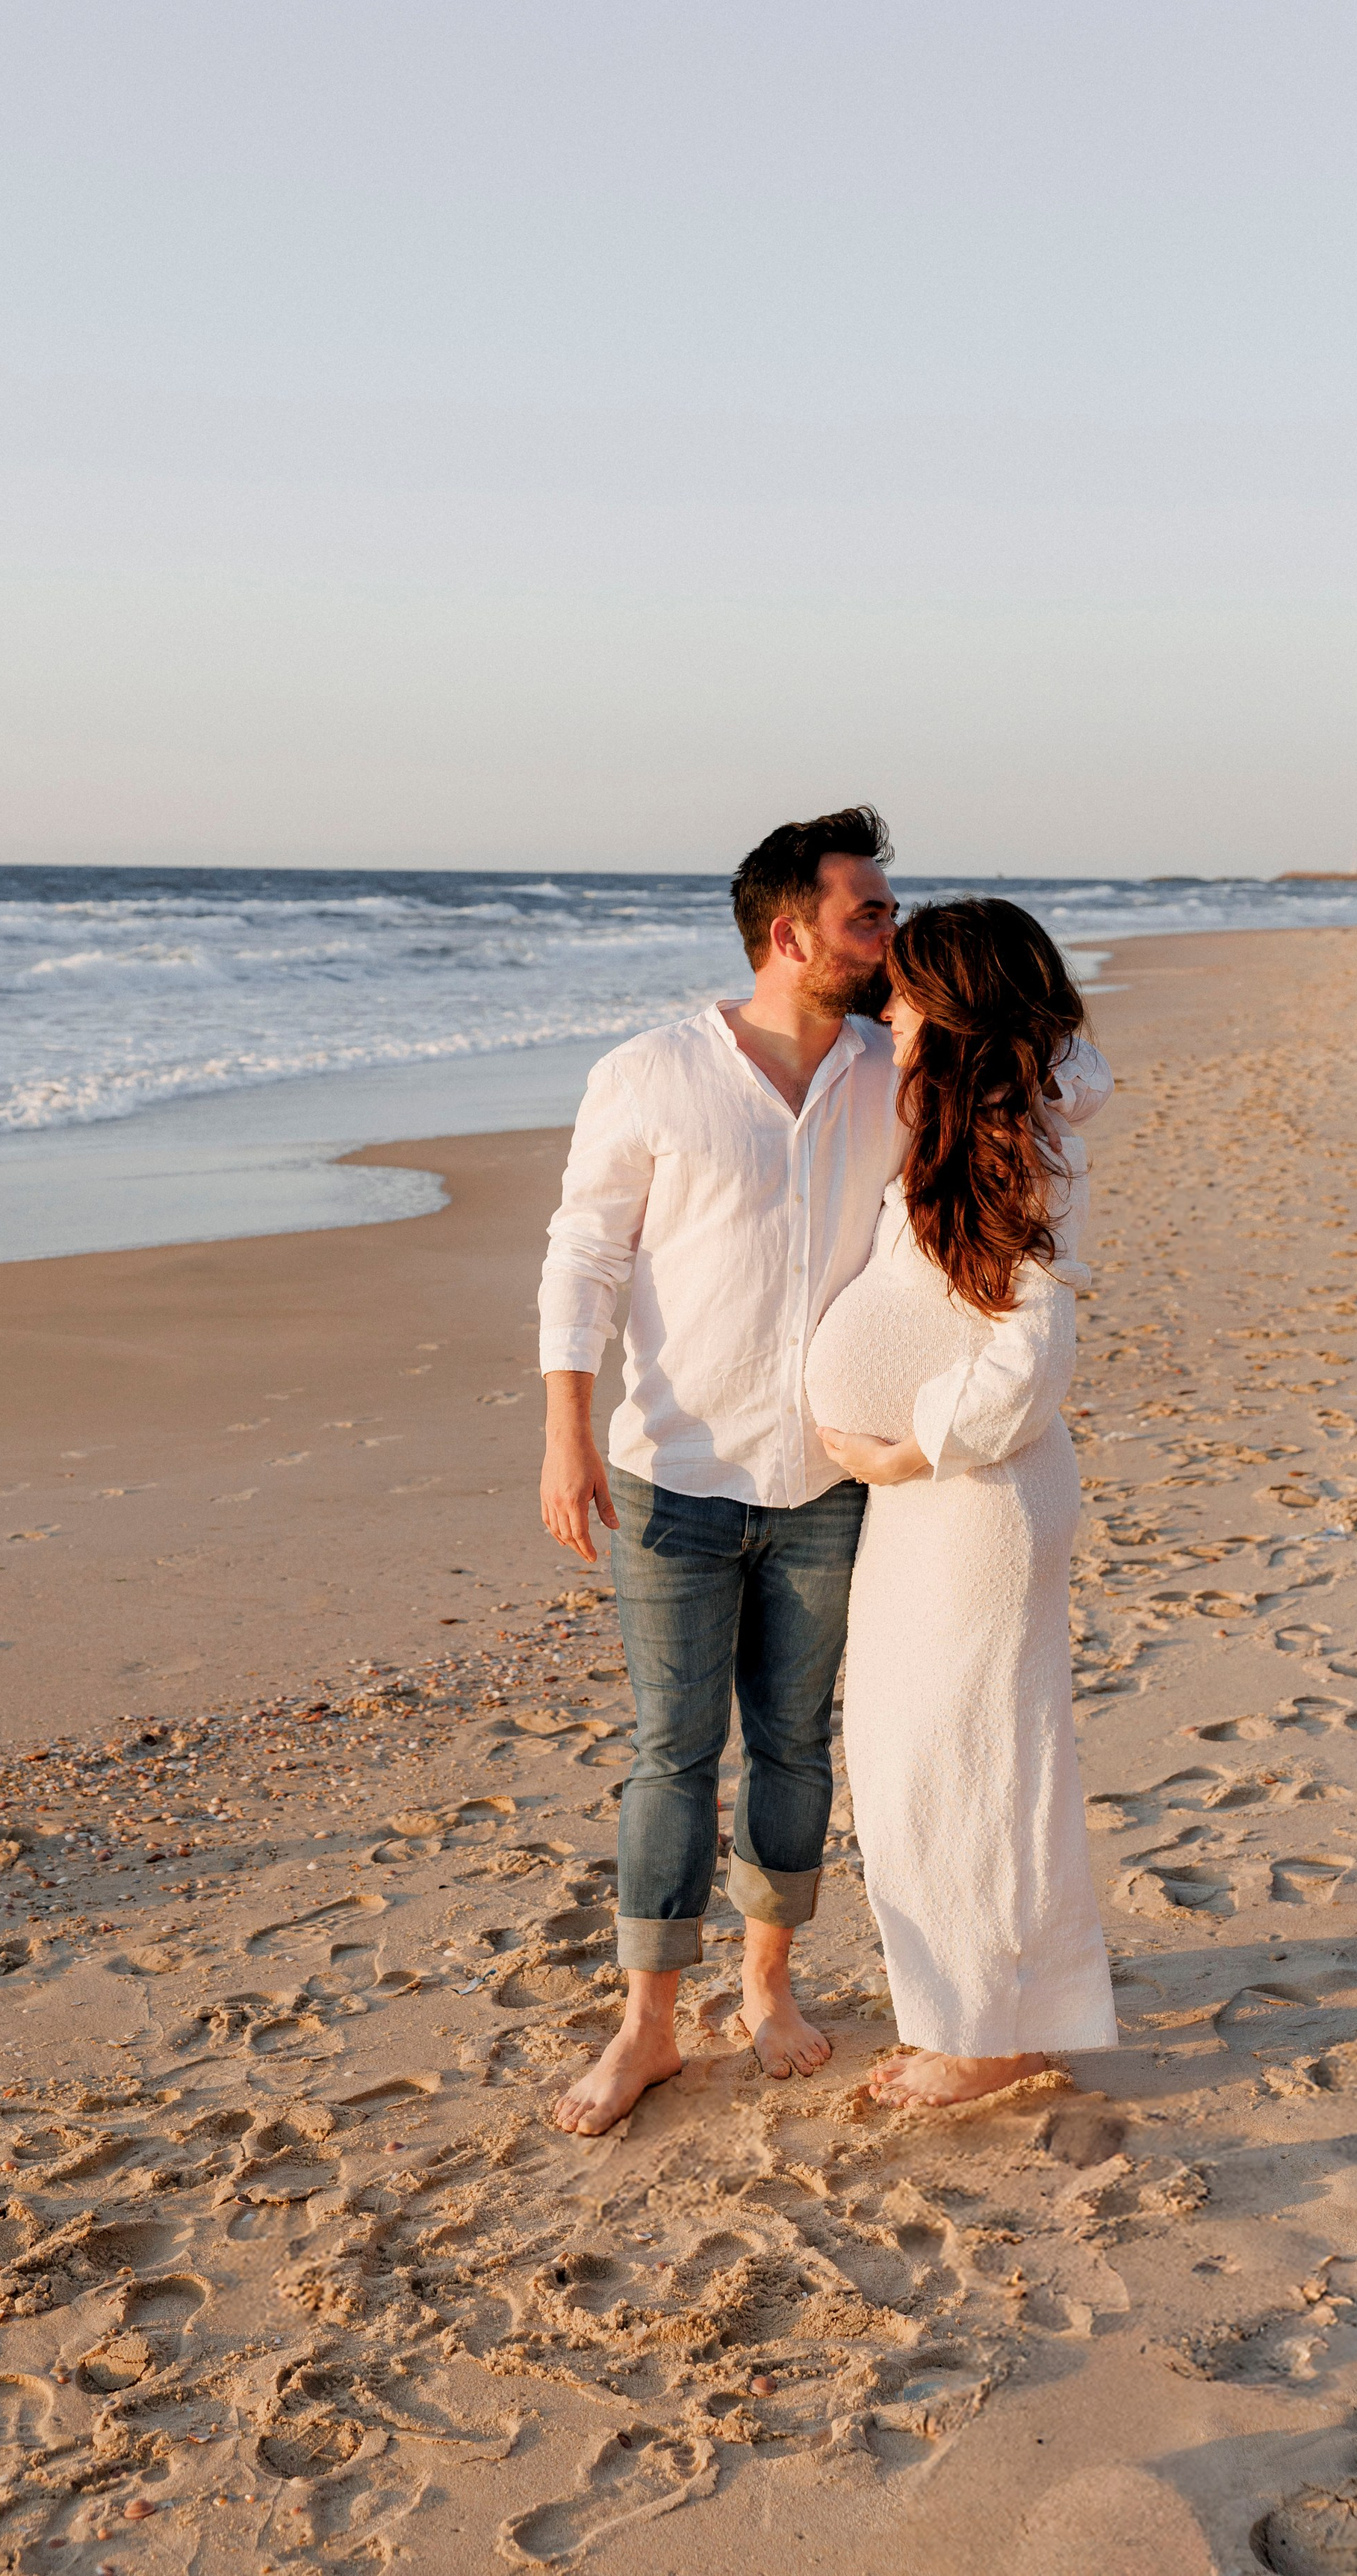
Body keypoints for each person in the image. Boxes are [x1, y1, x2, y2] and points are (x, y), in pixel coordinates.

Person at [538, 815, 1109, 2135]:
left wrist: (999, 999)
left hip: (833, 1491)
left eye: (897, 915)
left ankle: (769, 1991)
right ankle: (645, 2029)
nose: (891, 934)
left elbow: (1064, 1074)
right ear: (791, 933)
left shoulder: (898, 1066)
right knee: (673, 1754)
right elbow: (585, 1252)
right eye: (870, 913)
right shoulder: (650, 1073)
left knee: (801, 1751)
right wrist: (564, 1426)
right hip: (676, 1470)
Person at [807, 897, 1119, 2105]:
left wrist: (912, 1449)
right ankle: (982, 2015)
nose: (887, 1008)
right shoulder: (975, 1116)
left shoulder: (1019, 1137)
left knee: (967, 1767)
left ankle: (993, 2038)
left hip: (976, 1493)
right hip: (939, 1501)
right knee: (920, 1758)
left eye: (906, 990)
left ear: (957, 1006)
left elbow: (1036, 1355)